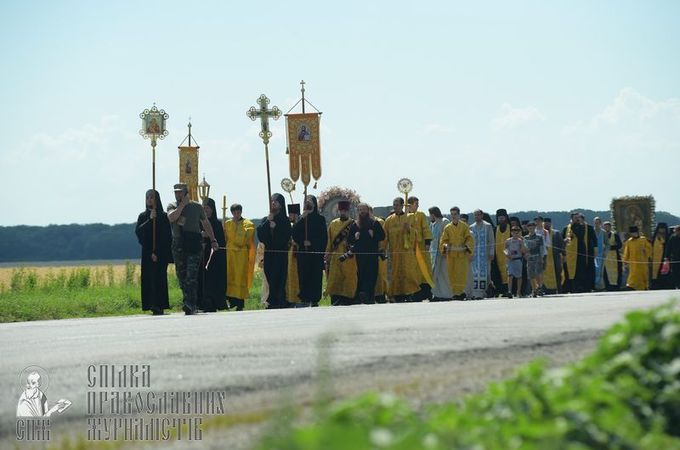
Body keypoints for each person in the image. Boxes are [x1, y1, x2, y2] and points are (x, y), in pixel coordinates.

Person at [167, 183, 219, 315]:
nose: (177, 194)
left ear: (186, 193)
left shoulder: (196, 206)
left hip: (194, 243)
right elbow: (172, 217)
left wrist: (213, 240)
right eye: (176, 192)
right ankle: (188, 301)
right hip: (179, 244)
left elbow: (205, 222)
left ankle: (190, 303)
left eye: (180, 192)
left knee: (191, 275)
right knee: (181, 276)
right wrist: (182, 205)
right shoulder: (172, 206)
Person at [135, 190, 172, 316]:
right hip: (147, 252)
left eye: (152, 197)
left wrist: (157, 252)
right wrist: (150, 220)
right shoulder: (142, 216)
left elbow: (166, 237)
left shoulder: (163, 216)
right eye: (147, 197)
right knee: (148, 278)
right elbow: (139, 233)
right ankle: (150, 304)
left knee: (159, 278)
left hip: (160, 254)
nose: (149, 199)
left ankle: (160, 305)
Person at [256, 193, 292, 309]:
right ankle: (271, 299)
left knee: (279, 277)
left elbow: (285, 236)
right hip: (269, 254)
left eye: (275, 201)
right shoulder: (266, 219)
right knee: (270, 276)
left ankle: (279, 300)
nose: (273, 203)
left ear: (281, 205)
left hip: (280, 254)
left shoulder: (284, 220)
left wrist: (275, 228)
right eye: (271, 201)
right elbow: (261, 235)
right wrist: (268, 223)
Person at [346, 203, 386, 303]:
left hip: (372, 255)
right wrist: (355, 237)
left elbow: (382, 236)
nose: (361, 212)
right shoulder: (355, 225)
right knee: (361, 276)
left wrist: (374, 235)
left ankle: (370, 297)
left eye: (363, 210)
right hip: (360, 256)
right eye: (359, 210)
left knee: (372, 276)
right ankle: (362, 296)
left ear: (367, 211)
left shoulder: (374, 223)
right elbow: (349, 240)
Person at [384, 197, 421, 302]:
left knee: (408, 273)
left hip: (407, 253)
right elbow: (385, 236)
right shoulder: (389, 220)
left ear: (402, 206)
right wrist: (382, 249)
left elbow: (418, 235)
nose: (395, 207)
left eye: (397, 205)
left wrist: (409, 229)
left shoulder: (410, 217)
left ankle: (409, 294)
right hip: (394, 253)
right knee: (395, 273)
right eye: (394, 205)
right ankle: (396, 294)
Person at [293, 195, 328, 307]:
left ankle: (314, 299)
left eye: (310, 201)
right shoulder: (301, 218)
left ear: (314, 204)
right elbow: (294, 234)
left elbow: (323, 237)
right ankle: (304, 298)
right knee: (303, 275)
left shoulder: (320, 219)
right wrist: (302, 218)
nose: (308, 203)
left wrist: (312, 243)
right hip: (303, 253)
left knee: (315, 276)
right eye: (306, 202)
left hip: (315, 253)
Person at [325, 200, 357, 305]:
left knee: (349, 277)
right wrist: (327, 254)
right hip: (335, 256)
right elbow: (329, 241)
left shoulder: (353, 224)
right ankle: (335, 299)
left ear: (348, 211)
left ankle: (348, 300)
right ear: (338, 211)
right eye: (341, 210)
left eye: (345, 211)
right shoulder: (333, 224)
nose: (343, 212)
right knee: (335, 278)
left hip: (349, 257)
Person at [197, 198, 227, 312]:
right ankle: (201, 302)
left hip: (214, 259)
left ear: (212, 209)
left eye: (208, 208)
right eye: (203, 208)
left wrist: (209, 237)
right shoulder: (198, 223)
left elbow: (220, 242)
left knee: (212, 281)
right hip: (201, 257)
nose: (206, 211)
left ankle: (213, 302)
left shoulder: (216, 223)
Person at [224, 204, 256, 311]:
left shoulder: (248, 224)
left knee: (240, 277)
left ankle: (240, 303)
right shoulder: (227, 223)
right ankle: (231, 301)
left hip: (241, 255)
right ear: (232, 213)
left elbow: (246, 237)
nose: (237, 215)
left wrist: (236, 244)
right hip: (230, 255)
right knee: (230, 276)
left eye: (238, 212)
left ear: (241, 212)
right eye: (234, 212)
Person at [439, 207, 474, 300]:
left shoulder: (464, 226)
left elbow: (469, 239)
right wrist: (446, 246)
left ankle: (461, 292)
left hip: (461, 254)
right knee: (452, 273)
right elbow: (443, 240)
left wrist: (466, 246)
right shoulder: (448, 227)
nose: (453, 216)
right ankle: (454, 293)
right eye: (452, 214)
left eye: (455, 214)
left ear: (458, 215)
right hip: (451, 254)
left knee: (461, 273)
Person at [407, 196, 434, 301]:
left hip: (421, 247)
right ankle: (413, 293)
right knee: (412, 270)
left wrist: (427, 241)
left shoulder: (421, 215)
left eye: (417, 204)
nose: (417, 205)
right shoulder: (405, 216)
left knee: (424, 269)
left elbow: (425, 229)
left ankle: (426, 292)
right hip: (409, 249)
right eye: (415, 203)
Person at [562, 212, 596, 293]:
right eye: (575, 217)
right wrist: (564, 240)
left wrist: (573, 226)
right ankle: (570, 288)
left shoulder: (582, 227)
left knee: (580, 270)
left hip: (580, 252)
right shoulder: (566, 228)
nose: (577, 219)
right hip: (570, 254)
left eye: (578, 217)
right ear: (571, 218)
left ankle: (581, 287)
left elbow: (580, 235)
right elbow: (561, 239)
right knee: (569, 271)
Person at [468, 209, 495, 299]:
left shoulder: (487, 226)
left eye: (478, 215)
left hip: (485, 255)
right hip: (475, 255)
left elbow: (491, 240)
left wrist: (491, 252)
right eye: (475, 215)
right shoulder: (471, 227)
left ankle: (485, 292)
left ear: (482, 215)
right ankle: (475, 293)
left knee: (486, 273)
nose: (477, 217)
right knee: (474, 274)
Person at [429, 206, 452, 300]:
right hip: (434, 254)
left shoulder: (444, 222)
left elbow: (448, 236)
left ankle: (446, 294)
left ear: (433, 214)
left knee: (444, 274)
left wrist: (445, 249)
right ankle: (437, 294)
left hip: (443, 253)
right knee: (435, 275)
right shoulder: (433, 224)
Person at [622, 225, 652, 290]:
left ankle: (645, 287)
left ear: (637, 232)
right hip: (633, 262)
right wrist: (625, 260)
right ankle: (631, 286)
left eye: (635, 233)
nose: (633, 234)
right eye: (632, 233)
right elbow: (627, 252)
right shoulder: (629, 241)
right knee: (633, 275)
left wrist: (645, 250)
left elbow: (649, 249)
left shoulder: (643, 240)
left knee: (643, 275)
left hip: (642, 262)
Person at [370, 206, 389, 303]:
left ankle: (381, 295)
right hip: (368, 253)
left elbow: (384, 237)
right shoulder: (362, 222)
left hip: (379, 252)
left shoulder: (379, 222)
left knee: (380, 274)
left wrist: (381, 249)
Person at [285, 204, 302, 306]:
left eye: (291, 214)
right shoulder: (289, 225)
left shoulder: (301, 225)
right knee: (290, 277)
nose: (289, 216)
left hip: (299, 254)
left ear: (295, 215)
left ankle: (299, 298)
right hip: (290, 254)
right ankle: (291, 298)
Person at [542, 218, 564, 294]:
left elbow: (561, 245)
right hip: (544, 258)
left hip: (555, 257)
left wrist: (564, 255)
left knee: (558, 274)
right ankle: (545, 290)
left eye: (548, 223)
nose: (546, 225)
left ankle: (559, 289)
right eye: (545, 224)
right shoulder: (540, 233)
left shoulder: (556, 233)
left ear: (551, 224)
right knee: (543, 274)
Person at [493, 209, 511, 297]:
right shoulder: (495, 229)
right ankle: (502, 290)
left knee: (509, 272)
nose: (501, 219)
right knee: (499, 273)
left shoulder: (510, 228)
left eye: (502, 218)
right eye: (499, 218)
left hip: (509, 255)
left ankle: (510, 290)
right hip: (498, 256)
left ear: (505, 218)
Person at [504, 226, 527, 298]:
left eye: (517, 233)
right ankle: (509, 291)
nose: (515, 234)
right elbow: (505, 249)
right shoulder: (508, 241)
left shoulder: (520, 241)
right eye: (514, 232)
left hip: (518, 259)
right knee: (510, 275)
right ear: (511, 233)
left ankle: (518, 291)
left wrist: (523, 242)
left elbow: (523, 250)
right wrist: (507, 254)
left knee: (519, 276)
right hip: (510, 260)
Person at [524, 222, 545, 297]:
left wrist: (542, 257)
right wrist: (525, 255)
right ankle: (534, 289)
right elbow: (524, 248)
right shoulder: (525, 237)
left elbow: (542, 247)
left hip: (537, 256)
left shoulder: (539, 237)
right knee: (531, 275)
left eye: (532, 228)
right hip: (530, 258)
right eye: (529, 228)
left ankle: (539, 287)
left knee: (538, 273)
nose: (531, 229)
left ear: (535, 228)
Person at [602, 221, 623, 290]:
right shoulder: (601, 235)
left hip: (614, 256)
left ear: (610, 227)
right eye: (605, 227)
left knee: (617, 271)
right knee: (605, 272)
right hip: (605, 256)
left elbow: (620, 245)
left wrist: (611, 247)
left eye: (608, 226)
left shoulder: (615, 235)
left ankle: (616, 286)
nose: (606, 228)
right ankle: (607, 286)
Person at [651, 223, 671, 290]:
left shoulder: (668, 237)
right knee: (656, 273)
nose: (662, 231)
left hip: (665, 258)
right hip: (656, 258)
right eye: (660, 229)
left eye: (663, 229)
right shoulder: (654, 237)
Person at [592, 217, 608, 291]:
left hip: (601, 254)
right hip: (593, 254)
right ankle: (593, 285)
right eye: (595, 223)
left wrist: (605, 252)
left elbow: (607, 244)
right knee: (594, 270)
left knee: (600, 270)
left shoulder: (604, 232)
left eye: (598, 223)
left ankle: (600, 286)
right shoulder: (591, 231)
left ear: (600, 223)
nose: (597, 224)